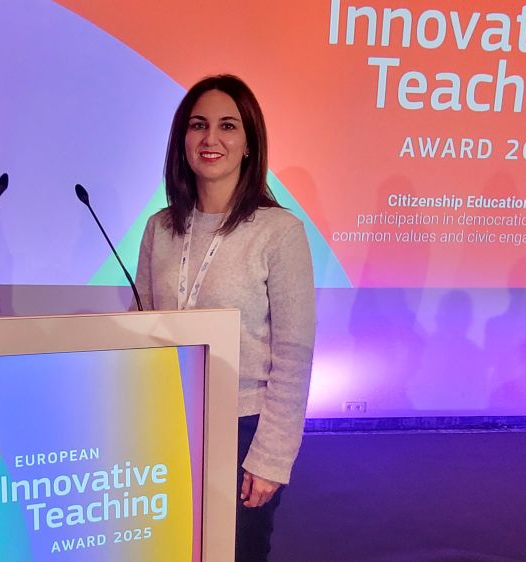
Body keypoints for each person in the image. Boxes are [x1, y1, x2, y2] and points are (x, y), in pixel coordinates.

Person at [135, 74, 316, 561]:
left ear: (249, 143)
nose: (210, 138)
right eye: (198, 125)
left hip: (242, 430)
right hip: (166, 425)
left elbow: (293, 354)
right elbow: (142, 325)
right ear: (183, 139)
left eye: (227, 126)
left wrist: (271, 457)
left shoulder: (279, 232)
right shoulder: (159, 228)